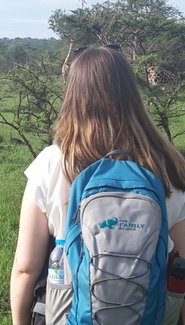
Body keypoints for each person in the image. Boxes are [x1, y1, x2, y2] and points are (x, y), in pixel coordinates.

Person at [10, 46, 185, 325]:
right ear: (132, 94)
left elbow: (25, 269)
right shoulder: (168, 164)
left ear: (73, 95)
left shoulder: (53, 162)